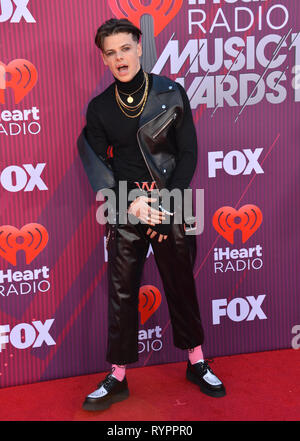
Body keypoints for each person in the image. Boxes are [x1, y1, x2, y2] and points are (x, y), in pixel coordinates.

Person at [78, 18, 225, 411]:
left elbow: (188, 152)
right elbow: (94, 159)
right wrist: (131, 203)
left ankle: (196, 361)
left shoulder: (171, 93)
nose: (119, 59)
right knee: (122, 291)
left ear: (139, 46)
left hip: (170, 204)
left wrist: (168, 203)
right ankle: (118, 375)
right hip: (126, 206)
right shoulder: (100, 108)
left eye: (124, 49)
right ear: (104, 59)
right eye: (110, 53)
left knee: (180, 283)